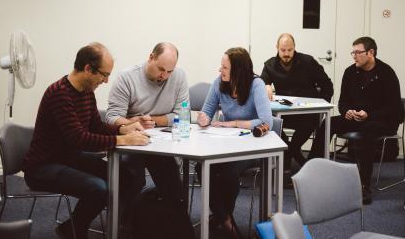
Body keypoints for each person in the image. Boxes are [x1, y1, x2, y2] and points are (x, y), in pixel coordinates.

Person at [23, 42, 149, 239]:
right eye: (104, 74)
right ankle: (74, 230)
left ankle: (116, 223)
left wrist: (123, 128)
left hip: (67, 157)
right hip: (42, 166)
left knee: (127, 177)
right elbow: (79, 138)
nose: (106, 81)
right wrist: (122, 140)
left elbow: (96, 127)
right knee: (97, 188)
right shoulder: (59, 93)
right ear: (88, 68)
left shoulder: (87, 92)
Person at [106, 42, 194, 237]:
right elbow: (111, 117)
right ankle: (126, 222)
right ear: (151, 57)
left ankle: (171, 224)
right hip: (131, 143)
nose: (164, 75)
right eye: (161, 69)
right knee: (131, 178)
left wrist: (153, 121)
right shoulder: (127, 78)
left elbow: (182, 113)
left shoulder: (178, 76)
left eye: (169, 71)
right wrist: (132, 122)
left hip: (160, 143)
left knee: (172, 182)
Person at [311, 36, 404, 204]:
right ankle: (311, 171)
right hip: (357, 118)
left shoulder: (386, 73)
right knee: (328, 123)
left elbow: (394, 108)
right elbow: (342, 101)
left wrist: (369, 115)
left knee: (367, 131)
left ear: (371, 53)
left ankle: (363, 185)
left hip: (383, 120)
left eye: (358, 52)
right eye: (352, 52)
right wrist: (347, 111)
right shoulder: (350, 72)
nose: (354, 56)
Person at [197, 47, 273, 239]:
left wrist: (233, 123)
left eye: (224, 67)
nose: (219, 70)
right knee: (202, 167)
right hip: (226, 145)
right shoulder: (219, 83)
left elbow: (267, 122)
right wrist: (203, 118)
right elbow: (206, 111)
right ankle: (225, 220)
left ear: (238, 70)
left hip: (251, 147)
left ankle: (222, 218)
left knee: (228, 172)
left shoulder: (256, 84)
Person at [260, 33, 333, 167]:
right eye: (283, 50)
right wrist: (265, 85)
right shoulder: (270, 64)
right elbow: (261, 82)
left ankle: (289, 152)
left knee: (311, 120)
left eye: (290, 50)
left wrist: (321, 106)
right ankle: (293, 151)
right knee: (267, 119)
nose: (286, 53)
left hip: (306, 112)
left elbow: (327, 85)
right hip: (284, 112)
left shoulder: (308, 62)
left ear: (294, 48)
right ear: (277, 47)